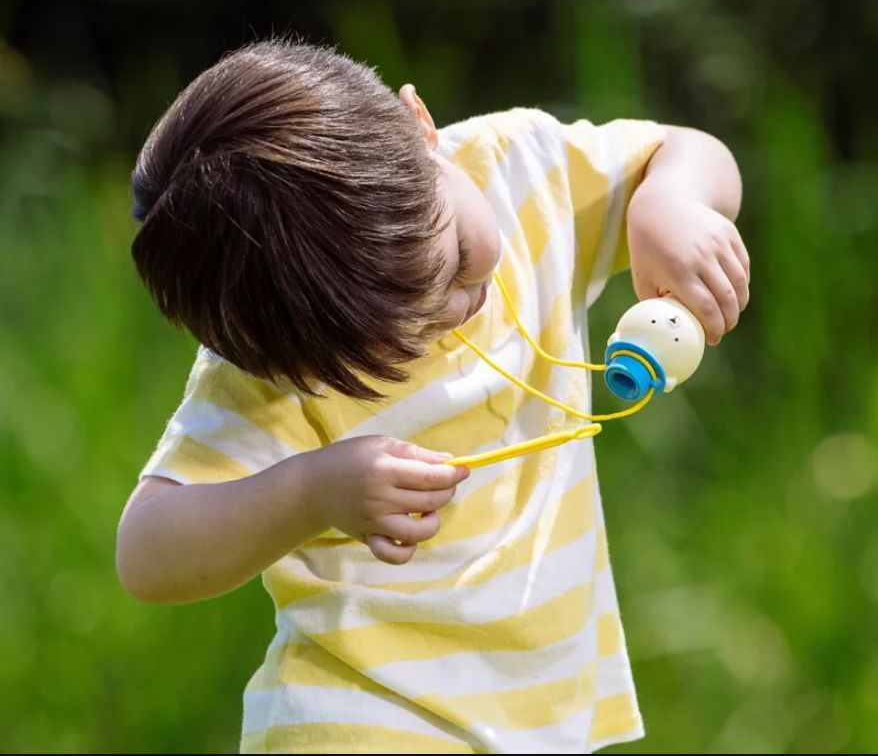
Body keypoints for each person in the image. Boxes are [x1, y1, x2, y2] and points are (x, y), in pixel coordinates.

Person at [116, 38, 749, 754]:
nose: (448, 311)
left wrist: (671, 201)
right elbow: (146, 555)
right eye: (393, 338)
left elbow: (689, 150)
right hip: (358, 719)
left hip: (541, 714)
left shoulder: (522, 169)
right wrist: (311, 493)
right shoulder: (274, 364)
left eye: (449, 263)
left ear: (419, 126)